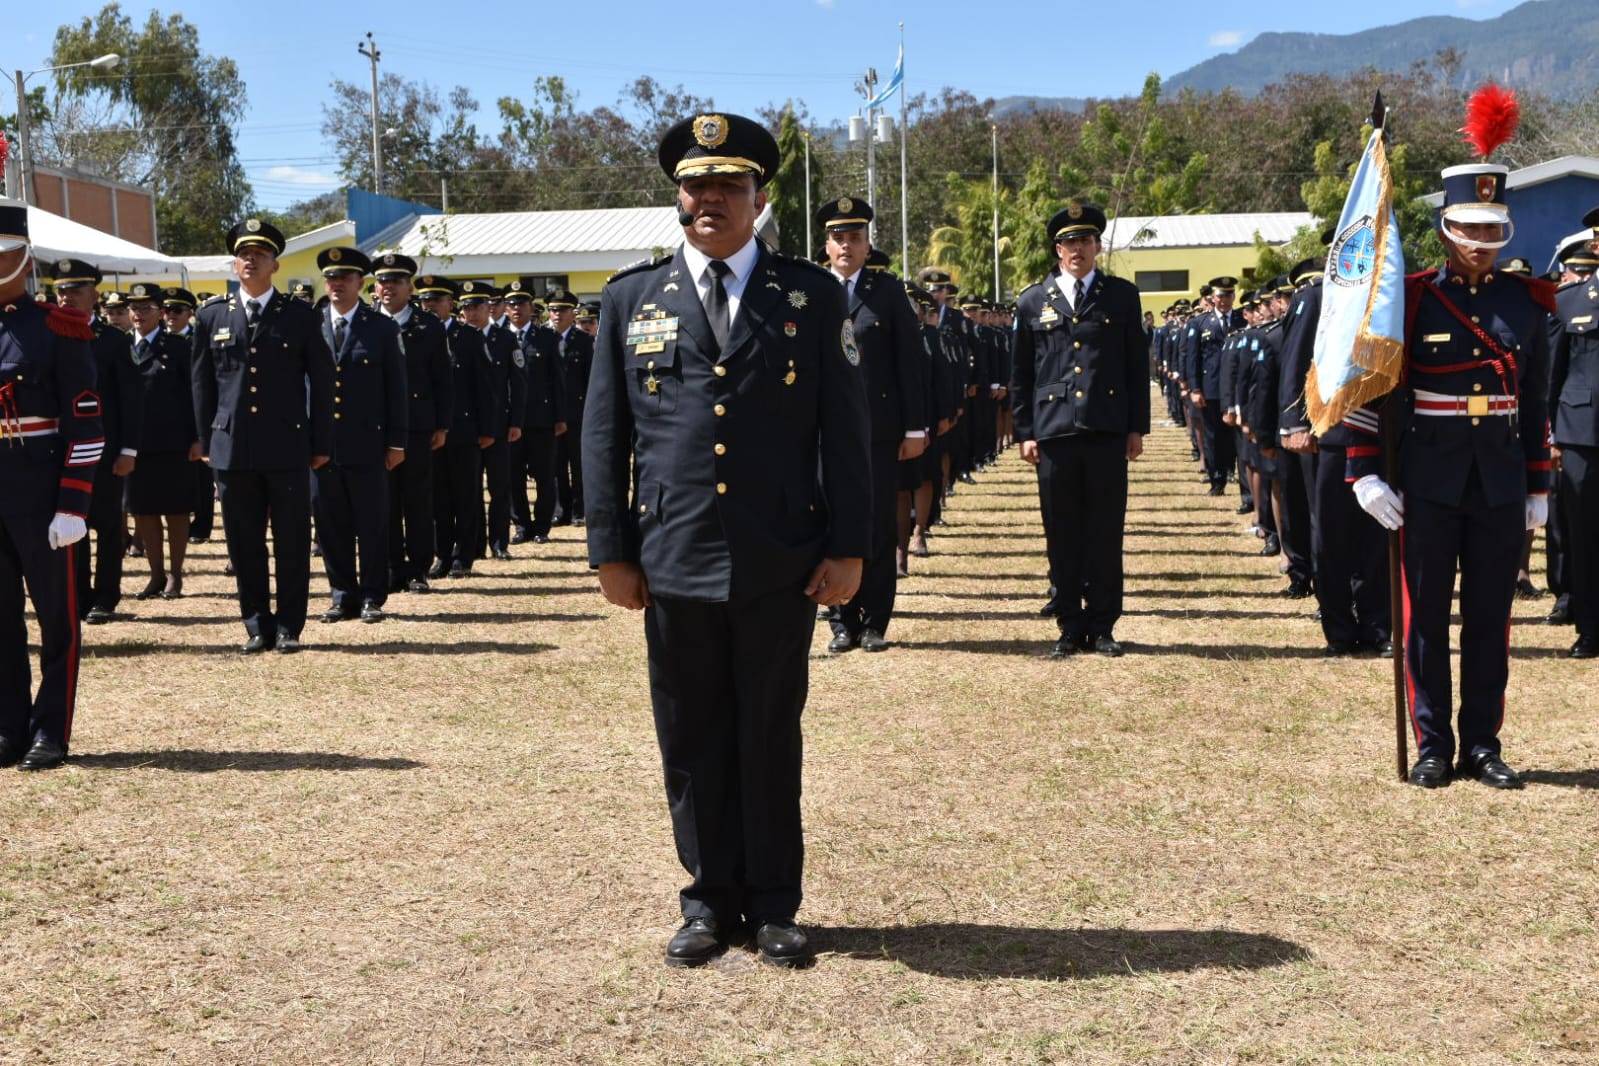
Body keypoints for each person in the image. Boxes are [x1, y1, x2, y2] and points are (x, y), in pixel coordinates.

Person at [583, 112, 871, 969]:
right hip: (670, 557)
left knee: (769, 733)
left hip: (779, 554)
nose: (710, 199)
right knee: (691, 734)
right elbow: (605, 432)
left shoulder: (810, 296)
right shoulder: (631, 298)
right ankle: (708, 899)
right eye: (696, 186)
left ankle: (776, 904)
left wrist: (850, 546)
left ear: (760, 199)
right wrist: (610, 549)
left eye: (728, 186)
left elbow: (844, 433)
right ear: (678, 198)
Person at [1345, 163, 1553, 790]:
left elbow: (1535, 398)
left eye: (1492, 228)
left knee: (1491, 618)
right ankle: (1433, 742)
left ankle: (1483, 744)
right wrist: (1364, 472)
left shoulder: (1526, 301)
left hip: (1499, 480)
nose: (1480, 240)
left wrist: (1538, 483)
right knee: (1425, 618)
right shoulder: (1407, 298)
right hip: (1427, 479)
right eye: (1468, 227)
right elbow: (1369, 385)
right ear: (1445, 228)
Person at [1010, 202, 1149, 658]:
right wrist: (1025, 431)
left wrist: (1136, 428)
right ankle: (1070, 623)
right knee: (1062, 530)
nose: (1077, 249)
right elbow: (1021, 374)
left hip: (1106, 429)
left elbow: (1134, 366)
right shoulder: (1033, 300)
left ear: (1097, 246)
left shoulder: (1121, 296)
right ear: (1057, 249)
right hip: (1053, 433)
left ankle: (1104, 624)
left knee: (1106, 530)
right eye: (1069, 242)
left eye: (1085, 241)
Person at [191, 218, 335, 654]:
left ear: (275, 263)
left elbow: (324, 381)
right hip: (232, 448)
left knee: (291, 540)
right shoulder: (212, 314)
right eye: (243, 254)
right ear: (235, 263)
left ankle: (290, 626)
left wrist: (321, 443)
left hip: (287, 445)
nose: (250, 260)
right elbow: (201, 384)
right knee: (244, 541)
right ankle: (256, 624)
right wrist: (205, 441)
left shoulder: (298, 315)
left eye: (260, 254)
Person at [0, 200, 104, 771]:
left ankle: (51, 731)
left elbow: (86, 420)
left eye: (6, 255)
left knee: (56, 622)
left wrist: (73, 503)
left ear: (25, 257)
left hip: (41, 496)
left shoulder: (57, 327)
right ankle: (7, 726)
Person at [816, 196, 926, 653]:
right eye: (839, 238)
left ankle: (875, 620)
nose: (847, 245)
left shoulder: (888, 292)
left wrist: (915, 428)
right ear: (826, 244)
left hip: (877, 432)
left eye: (855, 238)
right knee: (829, 524)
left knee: (878, 525)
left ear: (867, 244)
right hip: (822, 432)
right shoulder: (810, 290)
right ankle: (840, 620)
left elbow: (911, 364)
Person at [312, 247, 407, 624]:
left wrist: (396, 442)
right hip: (322, 446)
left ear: (360, 283)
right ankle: (341, 595)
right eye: (332, 278)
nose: (337, 284)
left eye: (346, 278)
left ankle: (371, 594)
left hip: (368, 443)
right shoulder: (311, 323)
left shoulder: (381, 327)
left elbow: (396, 388)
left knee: (371, 523)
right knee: (330, 525)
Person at [49, 259, 142, 623]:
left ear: (94, 295)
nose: (67, 297)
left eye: (75, 290)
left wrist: (128, 450)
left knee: (106, 525)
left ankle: (105, 596)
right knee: (69, 523)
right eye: (61, 291)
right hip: (59, 450)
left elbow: (133, 400)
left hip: (104, 451)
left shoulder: (114, 341)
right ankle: (77, 595)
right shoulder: (47, 336)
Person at [373, 254, 452, 594]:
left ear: (409, 287)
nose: (388, 287)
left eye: (396, 281)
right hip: (375, 426)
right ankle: (392, 566)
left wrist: (442, 425)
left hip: (417, 425)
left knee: (417, 498)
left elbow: (442, 379)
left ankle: (418, 567)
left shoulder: (428, 325)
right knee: (384, 500)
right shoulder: (365, 322)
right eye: (382, 281)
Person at [122, 283, 198, 600]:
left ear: (160, 311)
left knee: (176, 511)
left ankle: (175, 576)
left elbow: (195, 396)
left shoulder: (178, 347)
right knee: (143, 512)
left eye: (146, 308)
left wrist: (198, 439)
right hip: (134, 445)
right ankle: (155, 575)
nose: (138, 314)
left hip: (174, 443)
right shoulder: (121, 346)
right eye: (134, 308)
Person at [1549, 207, 1599, 658]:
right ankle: (1590, 625)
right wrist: (1552, 434)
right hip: (1582, 432)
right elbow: (1554, 375)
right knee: (1584, 532)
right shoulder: (1571, 301)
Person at [548, 288, 591, 528]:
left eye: (562, 310)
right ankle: (560, 510)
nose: (557, 314)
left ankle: (579, 510)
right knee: (555, 467)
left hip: (577, 414)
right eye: (553, 310)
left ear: (572, 313)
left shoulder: (584, 341)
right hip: (551, 415)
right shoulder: (543, 338)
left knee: (578, 465)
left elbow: (590, 379)